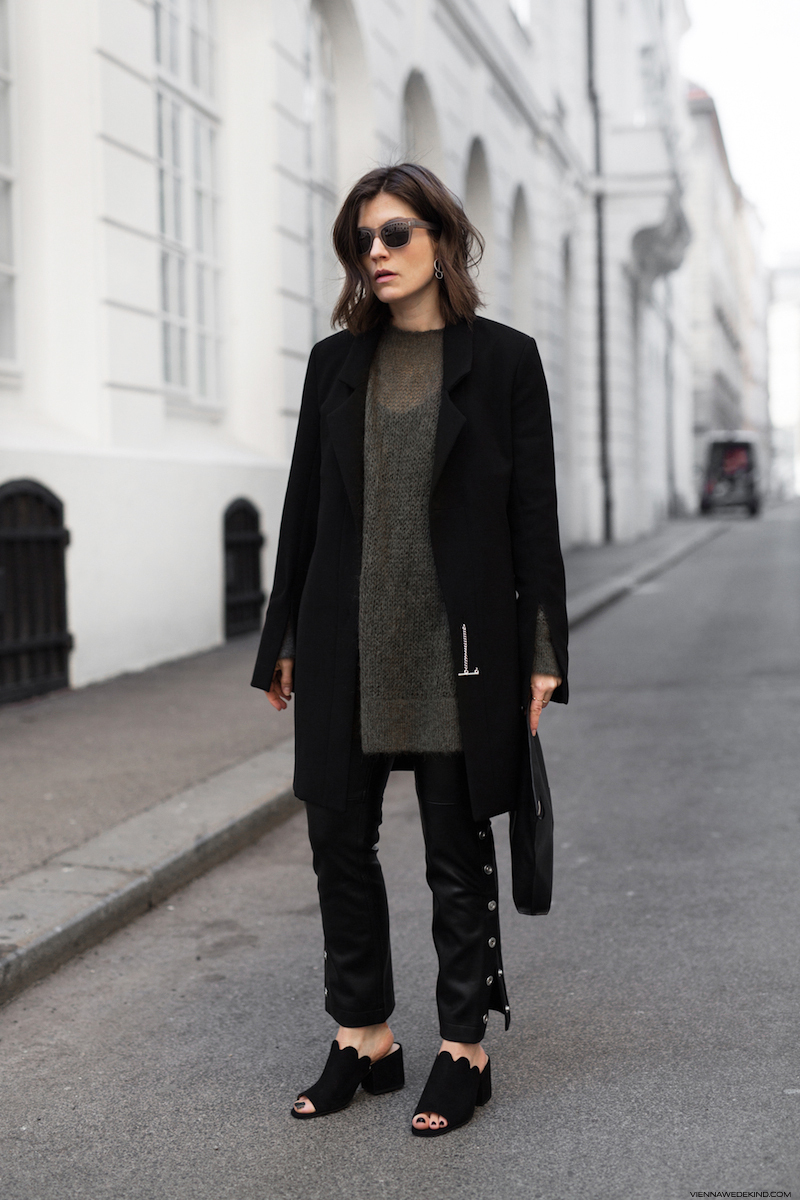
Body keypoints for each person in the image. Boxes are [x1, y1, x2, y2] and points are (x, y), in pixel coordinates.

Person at [251, 163, 568, 1137]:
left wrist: (542, 650)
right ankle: (365, 1036)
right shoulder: (334, 362)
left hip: (455, 643)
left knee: (452, 849)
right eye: (362, 240)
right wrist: (283, 637)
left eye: (395, 233)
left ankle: (463, 1047)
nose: (376, 253)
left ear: (442, 239)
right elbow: (304, 510)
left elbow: (532, 518)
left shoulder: (503, 361)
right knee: (336, 840)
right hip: (345, 637)